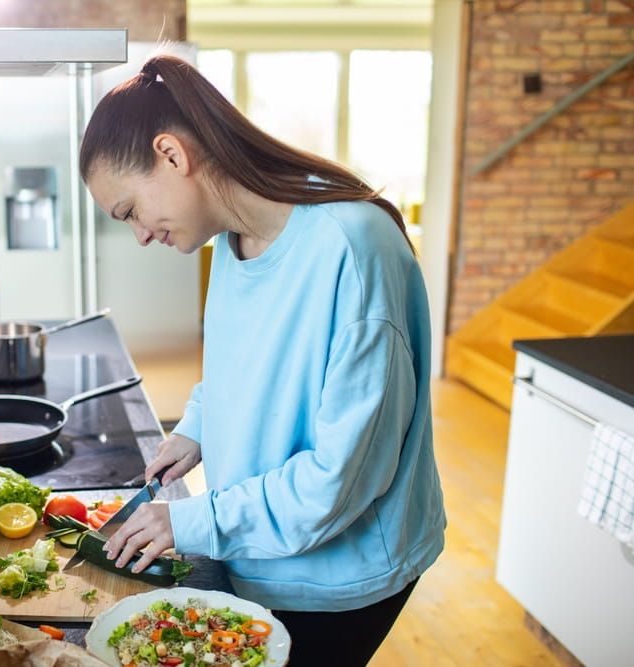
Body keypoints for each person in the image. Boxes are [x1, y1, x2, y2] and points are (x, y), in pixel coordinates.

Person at [81, 55, 446, 666]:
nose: (139, 234)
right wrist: (197, 427)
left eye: (129, 210)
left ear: (171, 154)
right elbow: (241, 366)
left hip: (337, 576)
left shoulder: (353, 250)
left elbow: (340, 480)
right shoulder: (231, 240)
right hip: (261, 551)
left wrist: (191, 524)